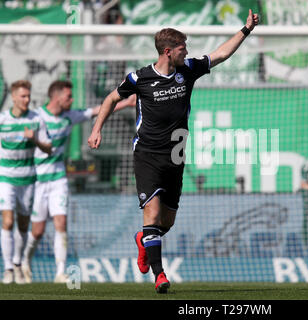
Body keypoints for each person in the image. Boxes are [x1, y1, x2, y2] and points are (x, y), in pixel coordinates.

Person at [88, 9, 259, 293]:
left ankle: (144, 240)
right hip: (147, 155)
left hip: (176, 156)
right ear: (167, 51)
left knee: (165, 223)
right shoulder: (139, 78)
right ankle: (160, 275)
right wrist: (96, 129)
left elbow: (220, 55)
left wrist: (246, 29)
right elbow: (110, 99)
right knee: (151, 216)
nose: (187, 51)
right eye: (182, 48)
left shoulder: (187, 70)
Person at [21, 80, 134, 283]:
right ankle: (25, 262)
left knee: (61, 224)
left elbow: (97, 110)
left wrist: (125, 103)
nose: (71, 100)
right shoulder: (37, 117)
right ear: (56, 97)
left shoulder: (69, 116)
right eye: (68, 97)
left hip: (58, 180)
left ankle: (60, 272)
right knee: (37, 232)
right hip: (38, 181)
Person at [0, 80, 52, 284]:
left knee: (23, 225)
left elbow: (49, 148)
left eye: (28, 96)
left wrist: (35, 140)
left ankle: (18, 263)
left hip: (28, 179)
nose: (26, 99)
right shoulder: (3, 120)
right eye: (22, 96)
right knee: (8, 221)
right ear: (13, 97)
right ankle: (8, 269)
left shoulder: (36, 119)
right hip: (5, 179)